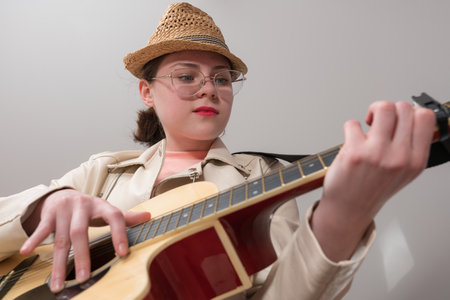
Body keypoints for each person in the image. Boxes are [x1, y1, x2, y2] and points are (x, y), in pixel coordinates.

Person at [0, 2, 436, 299]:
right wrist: (44, 207)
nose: (209, 87)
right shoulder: (103, 172)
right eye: (187, 76)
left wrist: (344, 217)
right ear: (146, 92)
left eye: (222, 78)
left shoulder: (262, 178)